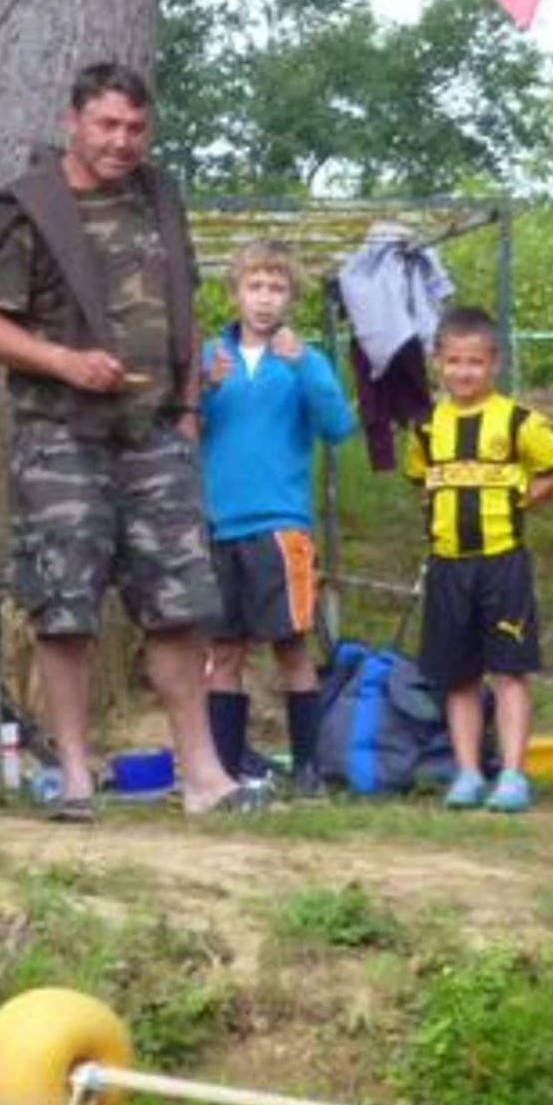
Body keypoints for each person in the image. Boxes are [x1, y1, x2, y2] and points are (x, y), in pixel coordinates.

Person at [0, 61, 258, 822]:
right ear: (73, 121)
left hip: (155, 435)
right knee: (65, 608)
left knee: (180, 604)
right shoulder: (30, 206)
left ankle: (203, 775)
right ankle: (75, 775)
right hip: (61, 437)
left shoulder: (159, 196)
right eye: (108, 125)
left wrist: (188, 410)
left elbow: (185, 304)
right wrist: (63, 362)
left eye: (136, 128)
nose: (122, 141)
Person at [197, 238, 358, 792]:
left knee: (291, 646)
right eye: (255, 286)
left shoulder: (304, 359)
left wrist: (306, 366)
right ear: (235, 293)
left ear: (291, 297)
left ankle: (308, 769)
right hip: (219, 527)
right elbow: (180, 427)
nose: (265, 298)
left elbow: (338, 428)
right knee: (224, 651)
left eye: (277, 288)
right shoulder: (208, 357)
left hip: (280, 527)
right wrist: (203, 388)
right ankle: (223, 771)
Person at [402, 305, 553, 814]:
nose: (464, 372)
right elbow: (419, 479)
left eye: (475, 362)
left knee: (509, 671)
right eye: (454, 361)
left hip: (502, 564)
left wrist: (524, 498)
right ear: (438, 362)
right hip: (448, 565)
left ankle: (513, 775)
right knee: (458, 675)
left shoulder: (517, 420)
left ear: (493, 363)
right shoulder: (427, 426)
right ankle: (468, 772)